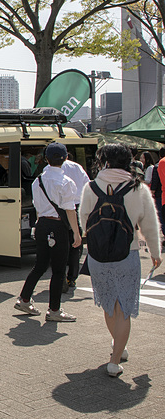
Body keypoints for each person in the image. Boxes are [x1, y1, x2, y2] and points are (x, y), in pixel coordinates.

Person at [80, 144, 162, 377]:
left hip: (98, 255)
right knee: (124, 307)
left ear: (104, 161)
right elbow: (150, 225)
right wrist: (155, 253)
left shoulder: (91, 187)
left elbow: (84, 218)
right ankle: (114, 361)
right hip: (128, 253)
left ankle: (119, 345)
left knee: (108, 304)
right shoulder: (138, 188)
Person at [15, 143, 81, 322]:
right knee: (59, 270)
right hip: (58, 227)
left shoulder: (38, 181)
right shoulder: (67, 182)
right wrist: (76, 232)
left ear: (46, 159)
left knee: (40, 265)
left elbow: (37, 206)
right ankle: (54, 310)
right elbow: (70, 210)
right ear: (66, 158)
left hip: (43, 224)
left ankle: (24, 299)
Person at [61, 154, 90, 292]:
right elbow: (87, 185)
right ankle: (71, 278)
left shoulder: (51, 169)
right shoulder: (77, 167)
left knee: (60, 244)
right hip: (77, 206)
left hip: (60, 209)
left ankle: (60, 277)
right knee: (75, 244)